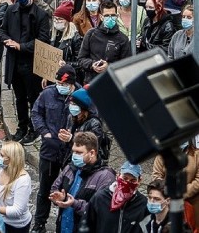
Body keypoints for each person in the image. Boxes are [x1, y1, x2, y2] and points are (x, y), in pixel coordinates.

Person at [0, 0, 51, 144]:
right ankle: (22, 126)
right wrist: (7, 40)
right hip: (14, 63)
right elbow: (2, 30)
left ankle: (34, 128)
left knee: (33, 97)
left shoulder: (41, 15)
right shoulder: (11, 10)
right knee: (19, 97)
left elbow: (43, 40)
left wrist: (21, 46)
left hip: (31, 63)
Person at [30, 66, 77, 230]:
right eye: (57, 83)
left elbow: (90, 124)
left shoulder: (80, 99)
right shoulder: (47, 93)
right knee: (45, 190)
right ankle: (39, 223)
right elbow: (36, 113)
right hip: (50, 151)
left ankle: (62, 224)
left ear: (72, 84)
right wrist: (44, 132)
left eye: (63, 84)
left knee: (68, 191)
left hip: (70, 154)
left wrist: (73, 138)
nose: (59, 86)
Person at [48, 132, 117, 233]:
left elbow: (100, 210)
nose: (74, 156)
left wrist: (74, 204)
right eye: (73, 152)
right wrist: (58, 197)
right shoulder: (70, 168)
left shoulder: (105, 177)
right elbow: (54, 188)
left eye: (79, 152)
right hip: (63, 227)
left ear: (92, 153)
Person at [77, 1, 131, 83]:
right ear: (101, 17)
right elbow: (81, 59)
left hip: (111, 83)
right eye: (106, 16)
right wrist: (93, 65)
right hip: (91, 82)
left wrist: (108, 66)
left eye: (113, 15)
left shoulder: (123, 39)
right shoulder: (91, 34)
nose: (110, 18)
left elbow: (125, 65)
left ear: (117, 16)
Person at [86, 162, 147, 233]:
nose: (127, 183)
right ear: (118, 176)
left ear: (139, 181)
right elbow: (87, 224)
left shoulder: (142, 203)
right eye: (124, 178)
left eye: (132, 180)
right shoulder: (100, 198)